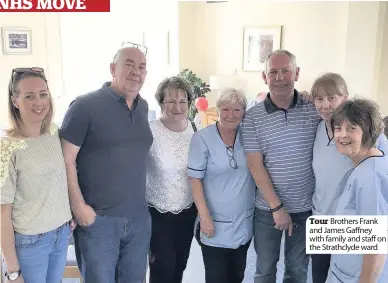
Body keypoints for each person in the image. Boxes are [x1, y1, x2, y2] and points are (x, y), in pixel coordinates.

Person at [60, 43, 153, 283]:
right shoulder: (84, 106)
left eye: (141, 67)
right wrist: (79, 207)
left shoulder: (143, 107)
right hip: (99, 222)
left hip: (138, 221)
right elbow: (65, 160)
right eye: (129, 64)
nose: (136, 71)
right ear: (113, 68)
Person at [241, 49, 321, 283]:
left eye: (285, 71)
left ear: (296, 73)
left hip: (306, 208)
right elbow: (255, 166)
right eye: (273, 72)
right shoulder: (252, 117)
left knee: (297, 271)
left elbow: (340, 112)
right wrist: (277, 208)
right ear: (264, 77)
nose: (279, 77)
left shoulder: (313, 109)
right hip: (267, 209)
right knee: (265, 270)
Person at [310, 73, 388, 283]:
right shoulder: (318, 129)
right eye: (319, 98)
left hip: (349, 220)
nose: (343, 134)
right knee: (326, 272)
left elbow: (376, 245)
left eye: (332, 98)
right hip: (323, 218)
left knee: (356, 266)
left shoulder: (370, 169)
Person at [1, 67, 72, 283]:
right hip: (30, 242)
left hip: (61, 235)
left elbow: (61, 179)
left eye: (43, 94)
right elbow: (3, 213)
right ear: (15, 101)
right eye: (29, 96)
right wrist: (13, 271)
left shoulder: (55, 133)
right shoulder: (7, 148)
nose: (39, 102)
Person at [187, 87, 255, 283]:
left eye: (236, 110)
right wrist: (205, 216)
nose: (231, 115)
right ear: (218, 110)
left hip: (243, 223)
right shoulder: (202, 139)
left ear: (244, 111)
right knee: (216, 277)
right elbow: (195, 180)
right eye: (225, 109)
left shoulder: (249, 136)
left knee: (237, 276)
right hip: (213, 224)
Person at [326, 98, 388, 283]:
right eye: (338, 128)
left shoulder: (370, 176)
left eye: (351, 128)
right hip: (344, 272)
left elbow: (376, 246)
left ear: (369, 132)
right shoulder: (364, 166)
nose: (342, 135)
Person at [146, 76, 198, 283]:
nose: (177, 107)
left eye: (182, 101)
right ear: (161, 103)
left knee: (180, 265)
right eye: (171, 101)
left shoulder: (195, 130)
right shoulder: (150, 130)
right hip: (158, 213)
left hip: (188, 211)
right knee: (161, 269)